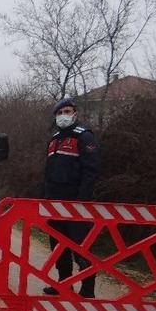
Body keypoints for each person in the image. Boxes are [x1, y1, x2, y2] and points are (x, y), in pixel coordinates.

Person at [42, 97, 101, 298]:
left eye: (66, 111)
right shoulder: (54, 140)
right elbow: (48, 174)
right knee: (58, 247)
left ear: (74, 114)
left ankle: (88, 288)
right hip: (54, 204)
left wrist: (81, 201)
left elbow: (91, 171)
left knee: (81, 247)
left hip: (77, 204)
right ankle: (63, 284)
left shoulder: (84, 137)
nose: (63, 116)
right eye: (59, 113)